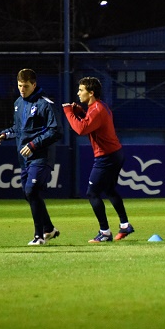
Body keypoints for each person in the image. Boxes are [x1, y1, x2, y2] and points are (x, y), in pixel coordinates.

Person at [62, 76, 135, 242]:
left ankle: (104, 233)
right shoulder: (100, 107)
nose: (78, 93)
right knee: (109, 190)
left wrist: (68, 112)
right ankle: (125, 225)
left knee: (92, 193)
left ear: (91, 92)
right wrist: (80, 112)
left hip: (106, 157)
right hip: (115, 153)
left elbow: (81, 129)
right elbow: (92, 122)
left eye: (81, 90)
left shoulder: (96, 109)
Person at [0, 69, 63, 246]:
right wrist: (5, 134)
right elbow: (18, 129)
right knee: (29, 194)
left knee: (31, 191)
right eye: (19, 86)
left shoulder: (45, 104)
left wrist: (34, 144)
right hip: (25, 158)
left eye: (25, 86)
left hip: (41, 156)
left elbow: (56, 131)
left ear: (34, 84)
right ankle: (48, 228)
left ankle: (39, 236)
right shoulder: (18, 102)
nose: (22, 89)